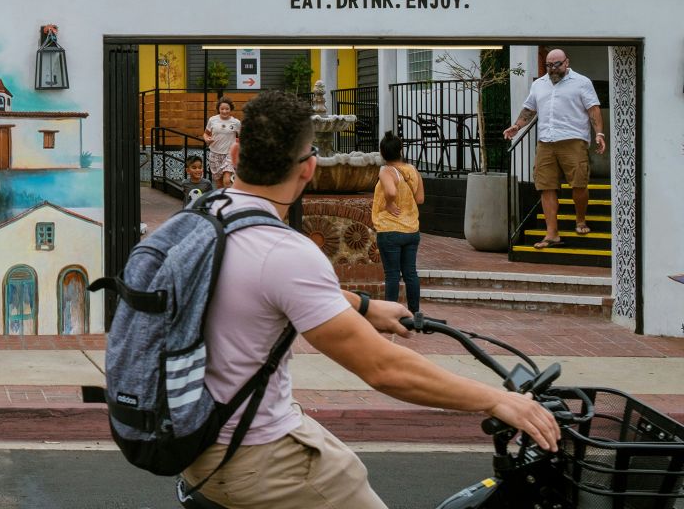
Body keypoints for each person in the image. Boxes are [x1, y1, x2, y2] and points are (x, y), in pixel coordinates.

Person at [180, 91, 558, 509]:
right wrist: (497, 399)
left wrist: (365, 306)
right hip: (252, 452)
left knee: (334, 452)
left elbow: (266, 282)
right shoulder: (286, 251)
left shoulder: (204, 215)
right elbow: (384, 369)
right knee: (348, 477)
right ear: (309, 168)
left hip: (195, 438)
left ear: (235, 153)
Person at [502, 49, 605, 249]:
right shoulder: (539, 84)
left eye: (556, 64)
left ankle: (580, 219)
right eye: (549, 65)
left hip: (573, 139)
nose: (552, 69)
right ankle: (552, 233)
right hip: (546, 141)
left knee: (579, 184)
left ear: (567, 62)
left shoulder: (581, 82)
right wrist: (517, 126)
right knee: (545, 185)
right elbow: (529, 108)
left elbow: (593, 109)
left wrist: (599, 133)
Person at [371, 131, 425, 312]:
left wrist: (389, 203)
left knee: (392, 275)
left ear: (382, 152)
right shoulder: (413, 170)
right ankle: (415, 314)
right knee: (411, 273)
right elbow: (420, 199)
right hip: (411, 230)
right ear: (401, 150)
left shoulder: (386, 171)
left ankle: (390, 314)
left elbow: (391, 192)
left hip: (390, 230)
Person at [204, 97, 240, 188]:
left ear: (231, 109)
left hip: (229, 154)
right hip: (214, 154)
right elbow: (206, 133)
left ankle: (230, 195)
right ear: (218, 109)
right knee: (219, 184)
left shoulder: (236, 122)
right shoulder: (212, 120)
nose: (224, 111)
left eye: (227, 109)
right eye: (222, 109)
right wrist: (207, 139)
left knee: (227, 181)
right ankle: (223, 197)